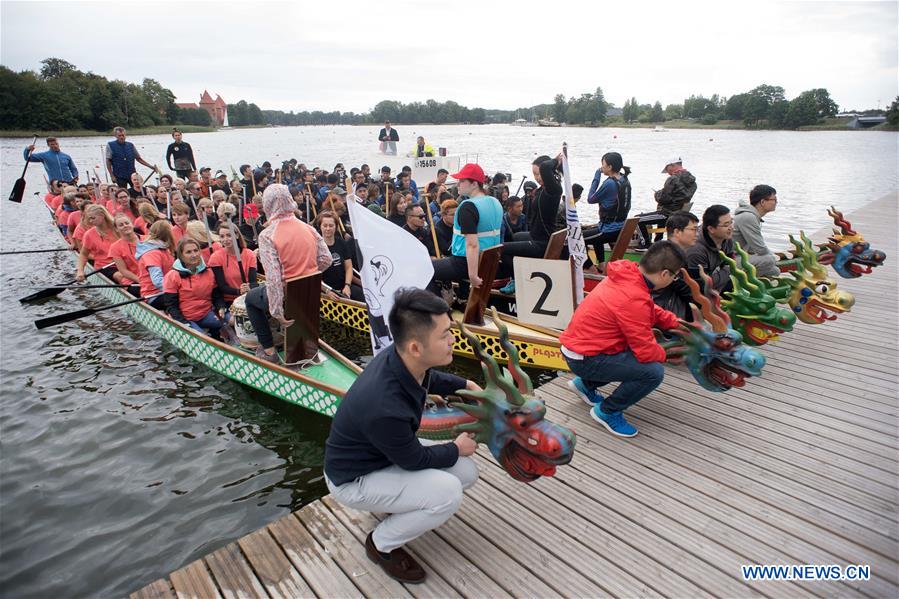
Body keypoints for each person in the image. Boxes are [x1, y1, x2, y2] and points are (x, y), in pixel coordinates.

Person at [324, 288, 480, 584]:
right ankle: (381, 544)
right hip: (353, 479)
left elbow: (429, 377)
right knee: (448, 492)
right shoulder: (384, 404)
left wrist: (467, 384)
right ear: (416, 347)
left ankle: (393, 507)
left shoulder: (402, 359)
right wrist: (457, 448)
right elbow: (413, 459)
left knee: (466, 473)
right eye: (445, 334)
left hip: (382, 455)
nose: (452, 340)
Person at [560, 241, 685, 437]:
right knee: (653, 372)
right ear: (664, 274)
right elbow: (646, 352)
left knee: (631, 355)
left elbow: (648, 309)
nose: (674, 280)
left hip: (581, 348)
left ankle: (585, 385)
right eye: (675, 276)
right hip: (585, 357)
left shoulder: (628, 276)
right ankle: (607, 411)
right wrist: (676, 353)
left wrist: (676, 323)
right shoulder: (633, 296)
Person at [244, 184, 331, 364]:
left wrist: (277, 312)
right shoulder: (308, 227)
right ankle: (304, 347)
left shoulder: (267, 235)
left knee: (250, 300)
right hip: (310, 289)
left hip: (286, 292)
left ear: (268, 205)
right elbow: (326, 259)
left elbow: (274, 279)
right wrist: (310, 274)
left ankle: (268, 350)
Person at [428, 164, 502, 294]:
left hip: (464, 262)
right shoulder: (495, 202)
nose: (458, 184)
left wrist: (472, 276)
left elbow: (472, 245)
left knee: (425, 270)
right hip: (489, 261)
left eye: (462, 181)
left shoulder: (468, 207)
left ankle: (440, 312)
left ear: (474, 184)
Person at [497, 155, 564, 293]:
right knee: (516, 237)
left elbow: (546, 167)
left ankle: (515, 279)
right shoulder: (544, 188)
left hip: (541, 242)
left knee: (501, 249)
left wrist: (556, 159)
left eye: (538, 173)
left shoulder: (554, 189)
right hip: (534, 235)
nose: (537, 178)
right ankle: (521, 269)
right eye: (534, 174)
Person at [163, 238, 228, 338]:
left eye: (196, 250)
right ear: (181, 255)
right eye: (188, 252)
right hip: (186, 318)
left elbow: (216, 295)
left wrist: (220, 306)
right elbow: (171, 306)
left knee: (227, 323)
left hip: (205, 313)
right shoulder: (173, 276)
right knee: (202, 338)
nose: (194, 255)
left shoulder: (209, 272)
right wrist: (184, 324)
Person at [583, 152, 632, 267]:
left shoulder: (610, 183)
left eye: (603, 164)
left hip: (608, 230)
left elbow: (590, 199)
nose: (601, 167)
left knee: (575, 239)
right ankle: (601, 265)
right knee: (595, 232)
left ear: (609, 167)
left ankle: (589, 267)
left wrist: (597, 176)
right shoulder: (625, 180)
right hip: (620, 227)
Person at [637, 157, 698, 247]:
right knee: (656, 213)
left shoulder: (672, 179)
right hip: (678, 213)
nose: (667, 172)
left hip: (667, 213)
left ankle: (645, 244)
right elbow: (678, 196)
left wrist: (657, 194)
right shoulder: (692, 182)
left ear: (672, 165)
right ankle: (658, 241)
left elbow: (663, 199)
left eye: (667, 168)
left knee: (636, 220)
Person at [651, 211, 700, 320]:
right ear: (677, 232)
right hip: (664, 312)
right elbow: (685, 290)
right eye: (693, 230)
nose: (697, 234)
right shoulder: (669, 256)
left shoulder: (669, 250)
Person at [732, 184, 780, 277]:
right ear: (762, 202)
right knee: (769, 260)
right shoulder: (748, 217)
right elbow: (760, 249)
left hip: (738, 257)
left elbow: (752, 249)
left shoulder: (753, 216)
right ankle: (738, 284)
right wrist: (773, 259)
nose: (776, 202)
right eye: (774, 200)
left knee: (775, 271)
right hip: (728, 260)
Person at [686, 205, 735, 294]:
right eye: (726, 225)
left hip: (713, 276)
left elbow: (731, 264)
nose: (731, 227)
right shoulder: (696, 250)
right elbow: (701, 284)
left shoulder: (727, 238)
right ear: (711, 229)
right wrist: (727, 273)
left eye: (731, 222)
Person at [316, 211, 363, 301]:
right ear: (320, 227)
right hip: (326, 290)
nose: (328, 228)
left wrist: (347, 285)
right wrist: (327, 291)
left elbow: (349, 267)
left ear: (336, 227)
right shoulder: (315, 246)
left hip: (343, 285)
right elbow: (314, 274)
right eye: (325, 225)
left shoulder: (342, 243)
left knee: (363, 297)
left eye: (331, 225)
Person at [209, 222, 258, 304]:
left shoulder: (249, 254)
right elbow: (221, 286)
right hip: (229, 300)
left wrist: (249, 287)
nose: (225, 239)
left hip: (248, 296)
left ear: (237, 235)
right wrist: (238, 291)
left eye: (229, 235)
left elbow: (253, 282)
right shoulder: (216, 257)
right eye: (222, 236)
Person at [137, 220, 176, 309]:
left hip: (165, 290)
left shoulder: (164, 249)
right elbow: (158, 282)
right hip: (154, 295)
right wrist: (175, 291)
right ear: (167, 235)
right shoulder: (152, 253)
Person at [76, 205, 119, 281]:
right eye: (89, 219)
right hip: (106, 266)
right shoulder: (89, 234)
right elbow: (83, 254)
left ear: (102, 216)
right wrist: (80, 271)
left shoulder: (118, 227)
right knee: (120, 276)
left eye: (93, 218)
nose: (90, 221)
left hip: (124, 263)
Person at [108, 213, 142, 288]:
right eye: (121, 225)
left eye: (127, 223)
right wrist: (141, 281)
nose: (125, 226)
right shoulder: (114, 247)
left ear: (132, 224)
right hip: (134, 280)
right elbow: (123, 271)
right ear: (116, 229)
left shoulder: (147, 239)